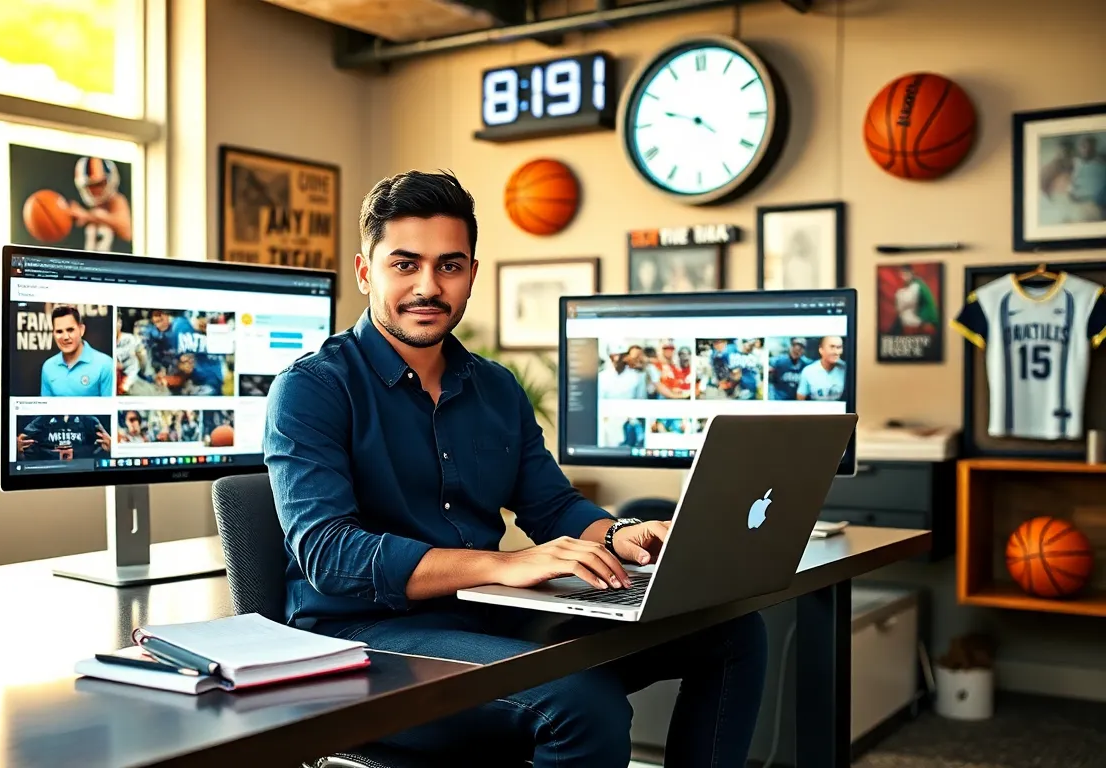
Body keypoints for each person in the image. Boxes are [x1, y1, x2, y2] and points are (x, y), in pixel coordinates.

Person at [263, 171, 767, 768]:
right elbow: (330, 555)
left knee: (733, 633)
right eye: (405, 265)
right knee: (584, 706)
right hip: (360, 643)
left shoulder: (496, 389)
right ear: (366, 270)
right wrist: (509, 563)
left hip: (489, 621)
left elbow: (551, 506)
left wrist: (616, 536)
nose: (428, 286)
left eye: (449, 266)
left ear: (472, 274)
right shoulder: (312, 389)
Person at [40, 306, 114, 397]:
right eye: (59, 332)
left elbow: (109, 409)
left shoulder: (105, 364)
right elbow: (47, 409)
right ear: (53, 334)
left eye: (70, 330)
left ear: (81, 330)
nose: (66, 337)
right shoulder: (48, 367)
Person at [70, 156, 133, 252]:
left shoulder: (117, 201)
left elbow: (127, 231)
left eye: (99, 184)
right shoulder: (89, 207)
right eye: (90, 185)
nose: (95, 190)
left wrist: (92, 216)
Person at [798, 335, 846, 401]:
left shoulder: (847, 369)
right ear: (821, 350)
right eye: (832, 347)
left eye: (839, 347)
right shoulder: (808, 371)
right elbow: (800, 400)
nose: (836, 352)